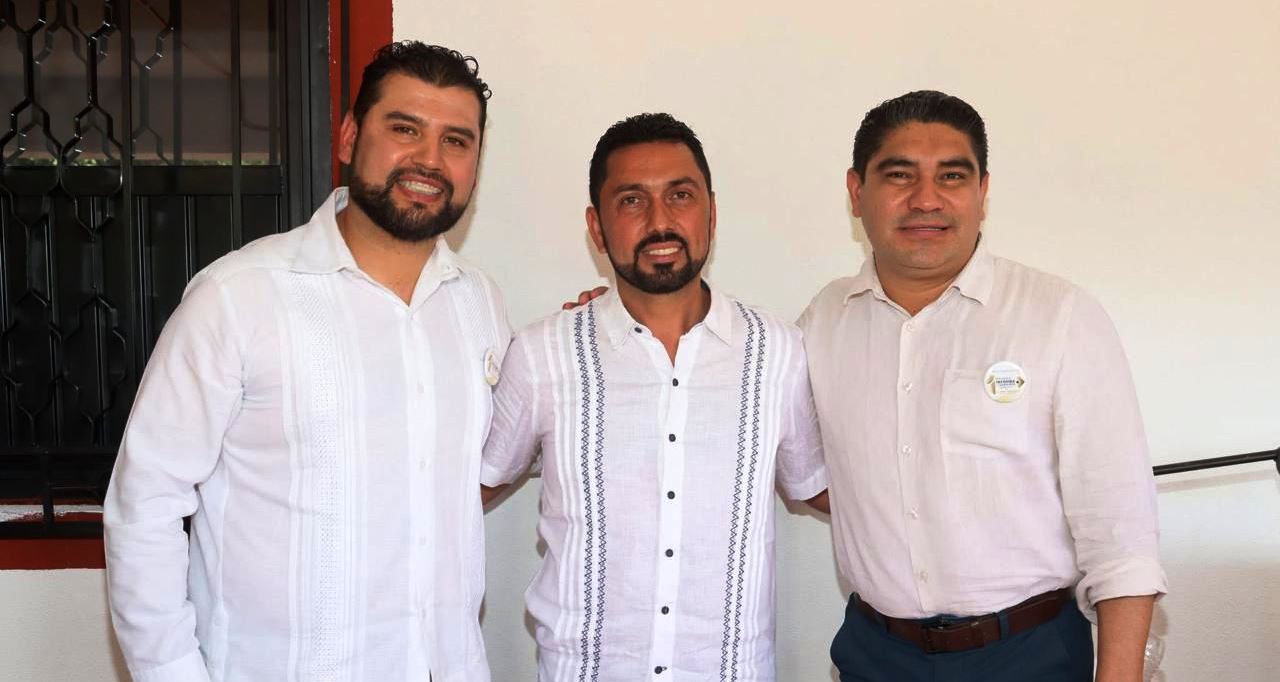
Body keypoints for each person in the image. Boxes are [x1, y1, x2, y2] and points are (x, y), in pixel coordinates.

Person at [104, 42, 508, 682]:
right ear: (349, 137)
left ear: (475, 167)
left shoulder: (479, 303)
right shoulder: (238, 296)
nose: (429, 160)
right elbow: (145, 504)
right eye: (404, 129)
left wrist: (588, 335)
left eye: (455, 141)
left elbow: (489, 459)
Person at [800, 90, 1167, 681]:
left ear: (982, 191)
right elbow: (803, 467)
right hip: (876, 656)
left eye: (952, 176)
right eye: (900, 175)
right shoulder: (824, 321)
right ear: (856, 191)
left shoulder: (1059, 316)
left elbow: (1121, 531)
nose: (926, 199)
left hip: (1031, 655)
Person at [481, 112, 829, 681]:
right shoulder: (544, 353)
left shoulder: (780, 352)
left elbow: (819, 487)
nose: (660, 220)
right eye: (632, 201)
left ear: (711, 213)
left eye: (680, 196)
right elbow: (473, 484)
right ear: (597, 228)